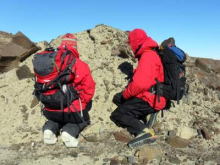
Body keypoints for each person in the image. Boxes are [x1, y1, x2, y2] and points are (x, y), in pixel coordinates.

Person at [110, 29, 167, 148]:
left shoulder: (148, 56)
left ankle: (144, 131)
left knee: (117, 115)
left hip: (149, 98)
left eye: (131, 44)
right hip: (152, 95)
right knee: (118, 99)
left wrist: (125, 95)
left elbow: (140, 84)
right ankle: (143, 115)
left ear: (136, 42)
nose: (131, 47)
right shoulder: (151, 53)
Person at [42, 33, 96, 148]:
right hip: (71, 110)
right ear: (75, 47)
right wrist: (83, 103)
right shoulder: (80, 64)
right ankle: (69, 133)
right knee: (83, 119)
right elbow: (89, 88)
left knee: (56, 119)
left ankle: (49, 130)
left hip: (49, 107)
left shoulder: (49, 62)